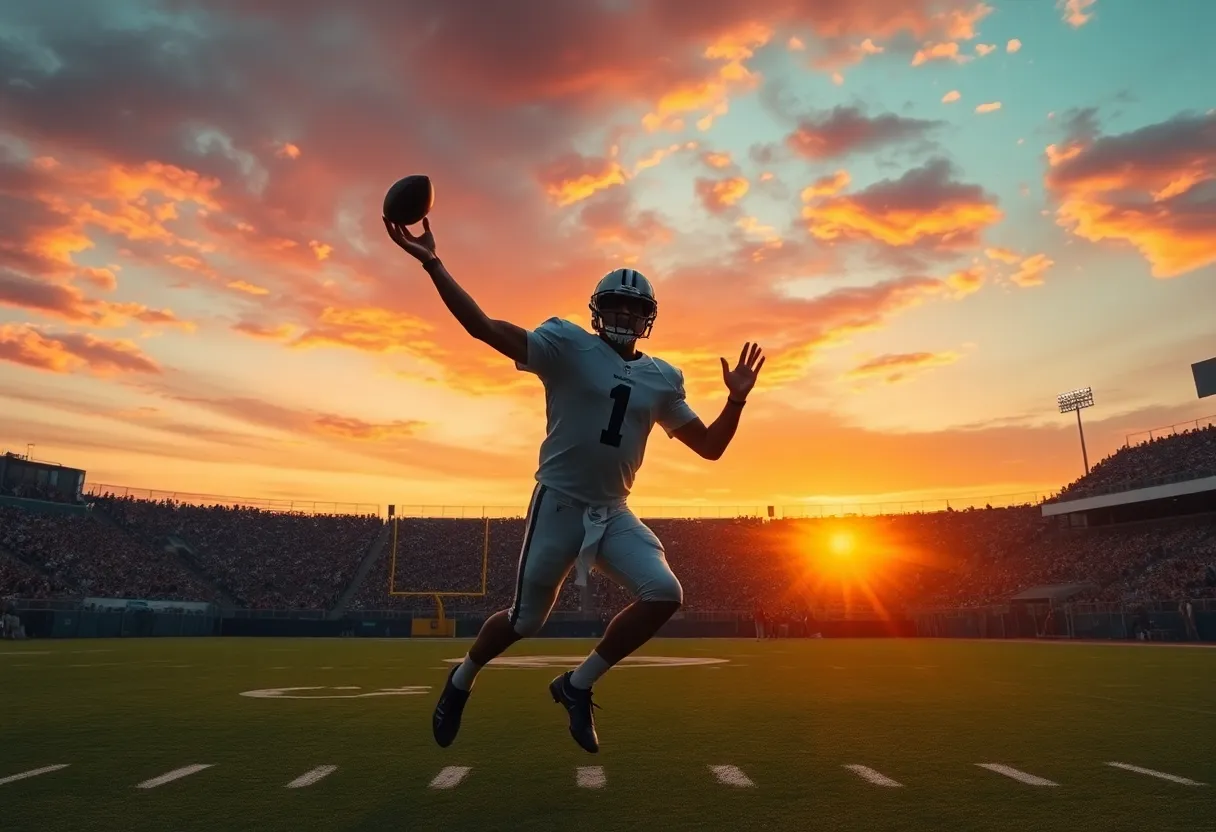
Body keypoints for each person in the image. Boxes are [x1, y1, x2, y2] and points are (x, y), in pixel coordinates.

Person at [385, 217, 764, 754]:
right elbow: (483, 328)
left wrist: (737, 399)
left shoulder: (661, 377)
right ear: (598, 309)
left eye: (636, 308)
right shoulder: (565, 344)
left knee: (665, 593)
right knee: (525, 621)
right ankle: (462, 678)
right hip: (559, 503)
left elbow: (710, 447)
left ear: (649, 317)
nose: (626, 314)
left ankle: (576, 685)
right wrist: (433, 263)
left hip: (613, 511)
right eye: (617, 305)